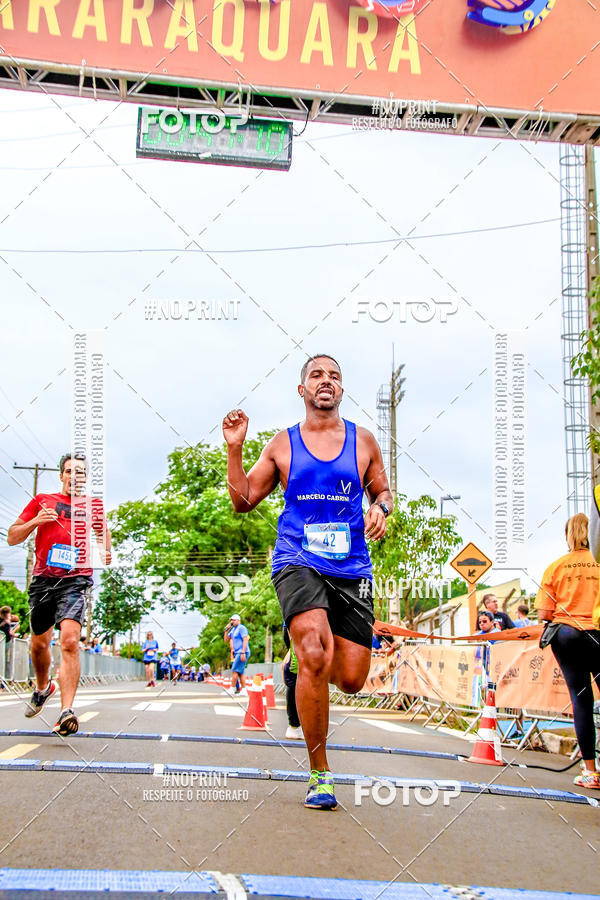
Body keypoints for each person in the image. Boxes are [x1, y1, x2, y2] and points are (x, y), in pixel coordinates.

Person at [223, 353, 392, 810]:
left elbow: (383, 490)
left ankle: (299, 666)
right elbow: (243, 500)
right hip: (297, 559)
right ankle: (320, 773)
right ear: (302, 390)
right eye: (317, 375)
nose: (326, 381)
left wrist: (380, 509)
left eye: (335, 376)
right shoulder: (282, 444)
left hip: (351, 567)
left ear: (341, 390)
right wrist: (235, 450)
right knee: (316, 649)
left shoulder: (364, 442)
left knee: (352, 678)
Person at [7, 452, 111, 736]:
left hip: (76, 580)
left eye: (80, 473)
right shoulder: (43, 500)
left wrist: (106, 550)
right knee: (39, 644)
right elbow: (12, 536)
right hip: (43, 580)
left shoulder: (94, 505)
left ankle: (66, 711)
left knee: (69, 641)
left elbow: (103, 532)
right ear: (62, 475)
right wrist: (36, 521)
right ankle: (43, 689)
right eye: (69, 471)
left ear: (85, 479)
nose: (74, 477)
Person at [536, 513, 600, 790]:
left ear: (567, 536)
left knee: (581, 698)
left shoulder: (556, 568)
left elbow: (544, 614)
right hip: (598, 633)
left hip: (567, 634)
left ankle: (591, 772)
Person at [224, 614, 250, 694]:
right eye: (231, 620)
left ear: (239, 620)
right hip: (237, 653)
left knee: (234, 670)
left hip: (242, 652)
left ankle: (233, 688)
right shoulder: (233, 630)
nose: (232, 622)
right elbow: (226, 640)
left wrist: (243, 652)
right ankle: (244, 690)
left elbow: (245, 640)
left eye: (234, 620)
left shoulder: (241, 628)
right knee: (240, 672)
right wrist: (226, 630)